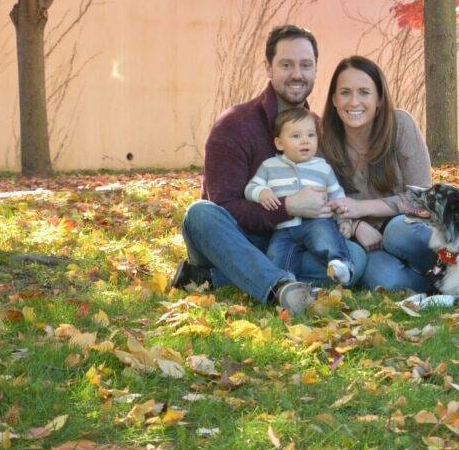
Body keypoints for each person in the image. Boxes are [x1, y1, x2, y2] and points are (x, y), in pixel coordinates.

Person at [168, 25, 367, 314]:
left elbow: (329, 194)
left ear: (315, 70)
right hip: (234, 240)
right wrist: (288, 207)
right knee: (199, 213)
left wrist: (348, 221)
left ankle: (211, 279)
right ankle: (279, 287)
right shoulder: (234, 124)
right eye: (286, 65)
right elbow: (224, 206)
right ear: (268, 68)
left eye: (306, 65)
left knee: (356, 259)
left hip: (292, 243)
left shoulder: (317, 131)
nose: (297, 74)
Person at [321, 56, 436, 292]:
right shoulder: (323, 142)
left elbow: (423, 200)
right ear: (334, 99)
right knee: (385, 280)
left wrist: (362, 208)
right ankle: (444, 284)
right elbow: (321, 204)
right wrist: (355, 226)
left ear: (379, 99)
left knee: (397, 232)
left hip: (410, 228)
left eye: (364, 92)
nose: (354, 102)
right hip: (367, 242)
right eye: (345, 92)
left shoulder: (400, 125)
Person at [244, 108, 355, 285]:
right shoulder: (269, 166)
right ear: (279, 143)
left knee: (326, 238)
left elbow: (338, 196)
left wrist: (344, 220)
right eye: (296, 136)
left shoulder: (323, 168)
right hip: (283, 227)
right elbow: (251, 187)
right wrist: (262, 193)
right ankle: (284, 284)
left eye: (311, 135)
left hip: (316, 221)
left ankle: (340, 265)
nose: (305, 141)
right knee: (277, 254)